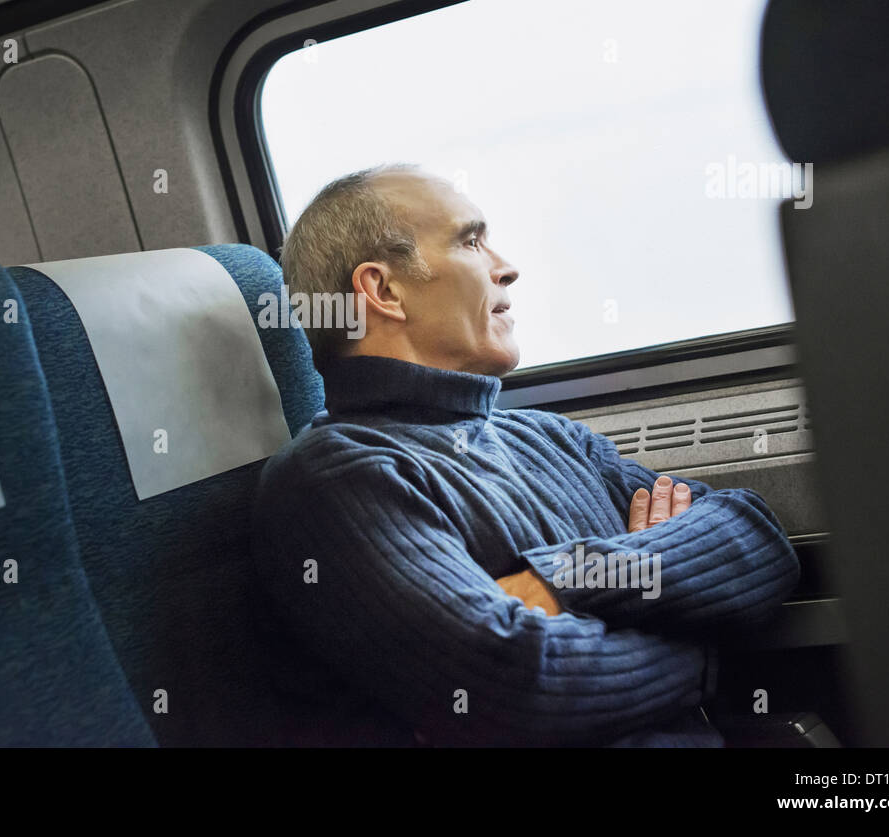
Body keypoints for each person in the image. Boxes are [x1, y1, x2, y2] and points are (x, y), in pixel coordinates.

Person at [250, 162, 800, 746]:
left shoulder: (550, 437)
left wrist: (559, 579)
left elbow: (756, 539)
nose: (507, 267)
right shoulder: (336, 479)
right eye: (471, 240)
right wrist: (701, 646)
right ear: (383, 291)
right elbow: (516, 689)